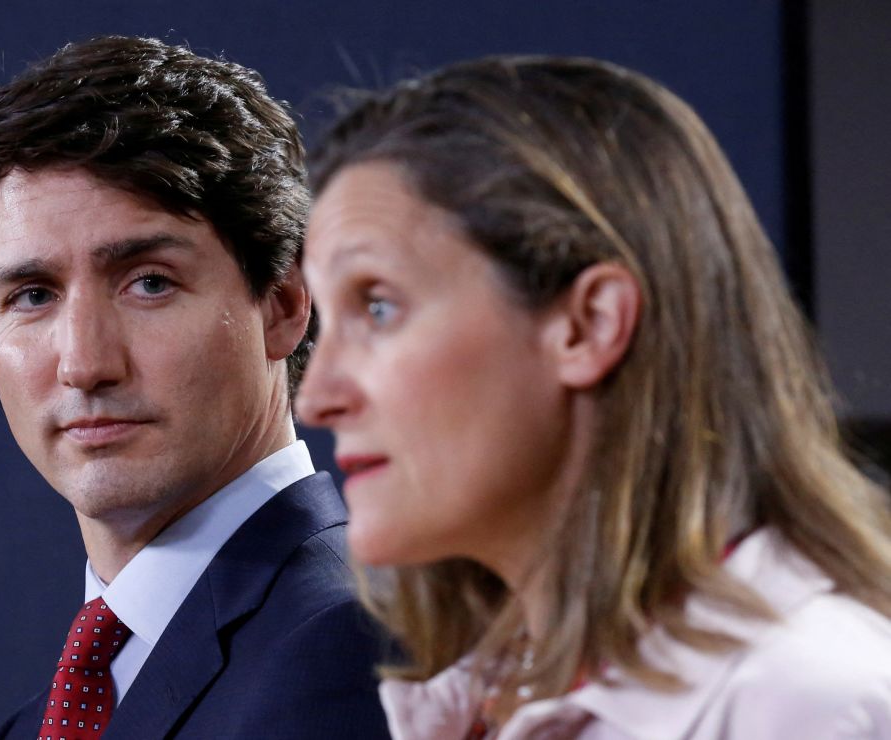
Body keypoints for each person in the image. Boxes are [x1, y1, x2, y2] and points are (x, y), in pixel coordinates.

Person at [296, 55, 891, 739]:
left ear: (588, 326)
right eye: (326, 323)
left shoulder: (811, 705)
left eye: (377, 307)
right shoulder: (471, 703)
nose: (317, 399)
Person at [0, 35, 390, 739]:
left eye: (149, 283)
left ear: (285, 304)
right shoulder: (30, 727)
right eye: (31, 295)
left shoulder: (356, 647)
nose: (83, 363)